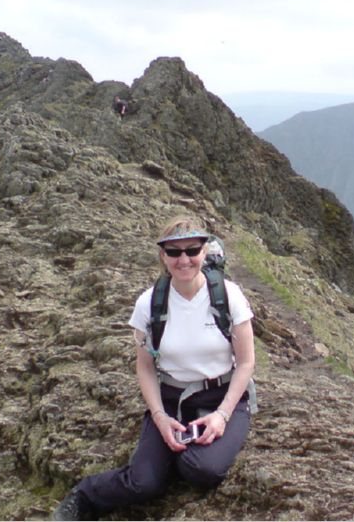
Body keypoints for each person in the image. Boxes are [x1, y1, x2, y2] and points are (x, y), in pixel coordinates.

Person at [53, 216, 256, 521]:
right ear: (163, 256)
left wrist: (222, 416)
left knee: (202, 469)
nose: (184, 259)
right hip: (172, 400)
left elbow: (246, 362)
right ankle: (84, 495)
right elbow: (145, 368)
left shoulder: (229, 296)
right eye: (174, 252)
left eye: (192, 250)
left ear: (204, 251)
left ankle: (177, 457)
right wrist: (161, 419)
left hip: (223, 397)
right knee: (143, 482)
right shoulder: (149, 304)